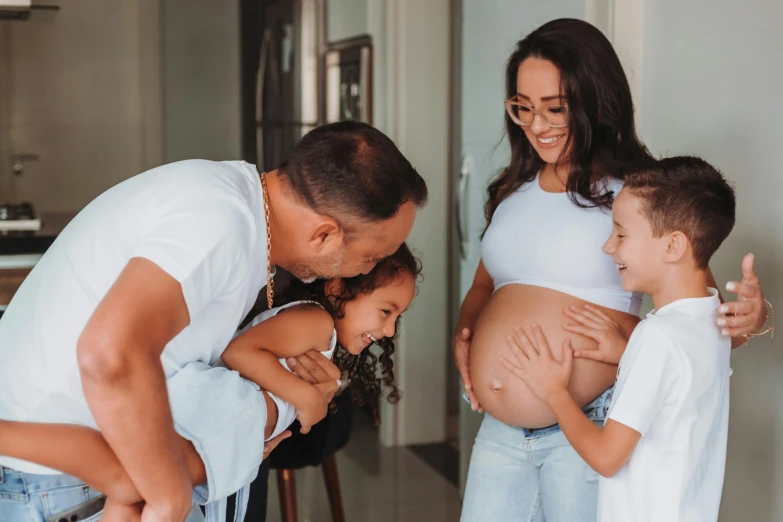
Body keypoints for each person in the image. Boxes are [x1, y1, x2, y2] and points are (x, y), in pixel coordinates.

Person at [0, 120, 428, 522]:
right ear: (324, 234)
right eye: (370, 257)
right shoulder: (220, 224)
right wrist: (170, 496)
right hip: (62, 479)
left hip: (89, 467)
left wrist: (244, 439)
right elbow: (110, 352)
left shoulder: (232, 204)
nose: (360, 270)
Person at [454, 19, 771, 522]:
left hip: (590, 420)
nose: (537, 125)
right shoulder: (511, 189)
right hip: (499, 432)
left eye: (555, 108)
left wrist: (753, 319)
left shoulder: (637, 196)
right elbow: (484, 285)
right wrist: (465, 337)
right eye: (523, 107)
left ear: (594, 101)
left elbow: (698, 319)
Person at [0, 243, 421, 521]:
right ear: (337, 287)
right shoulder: (317, 321)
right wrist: (308, 403)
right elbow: (241, 353)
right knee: (124, 478)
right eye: (386, 311)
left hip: (225, 432)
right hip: (218, 421)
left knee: (131, 495)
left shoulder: (318, 329)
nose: (388, 329)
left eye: (396, 318)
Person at [501, 157, 740, 522]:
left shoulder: (657, 337)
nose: (608, 247)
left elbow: (607, 458)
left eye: (621, 234)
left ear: (673, 247)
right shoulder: (712, 320)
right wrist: (627, 355)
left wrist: (554, 393)